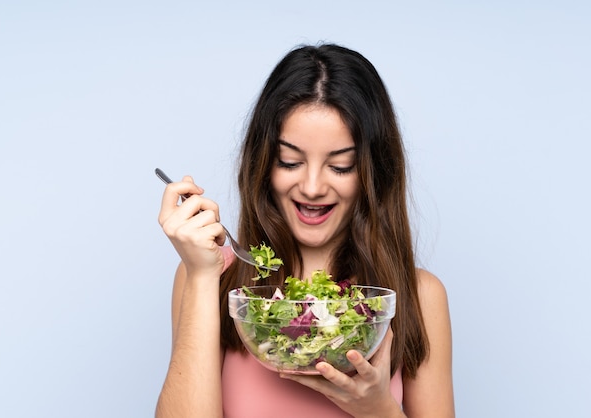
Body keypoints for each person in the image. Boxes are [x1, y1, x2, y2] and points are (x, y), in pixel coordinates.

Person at [155, 44, 454, 418]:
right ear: (264, 165)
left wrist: (379, 410)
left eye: (341, 166)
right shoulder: (211, 275)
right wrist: (201, 276)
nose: (312, 187)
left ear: (374, 173)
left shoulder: (420, 295)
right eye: (290, 161)